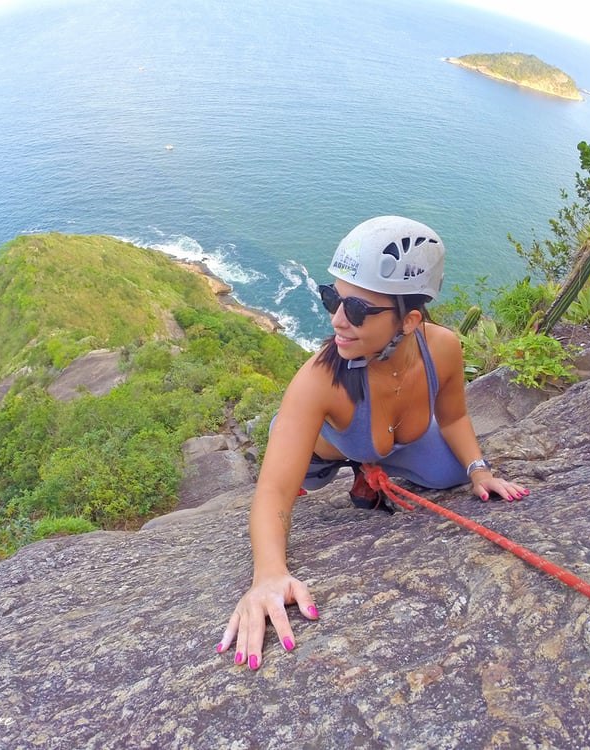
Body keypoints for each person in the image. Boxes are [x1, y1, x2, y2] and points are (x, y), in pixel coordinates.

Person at [216, 216, 529, 670]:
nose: (337, 320)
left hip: (391, 445)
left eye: (358, 309)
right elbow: (273, 493)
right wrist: (268, 575)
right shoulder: (319, 381)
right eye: (332, 299)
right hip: (327, 446)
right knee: (295, 472)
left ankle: (369, 471)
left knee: (446, 475)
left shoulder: (441, 348)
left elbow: (455, 415)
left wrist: (479, 469)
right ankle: (348, 465)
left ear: (410, 320)